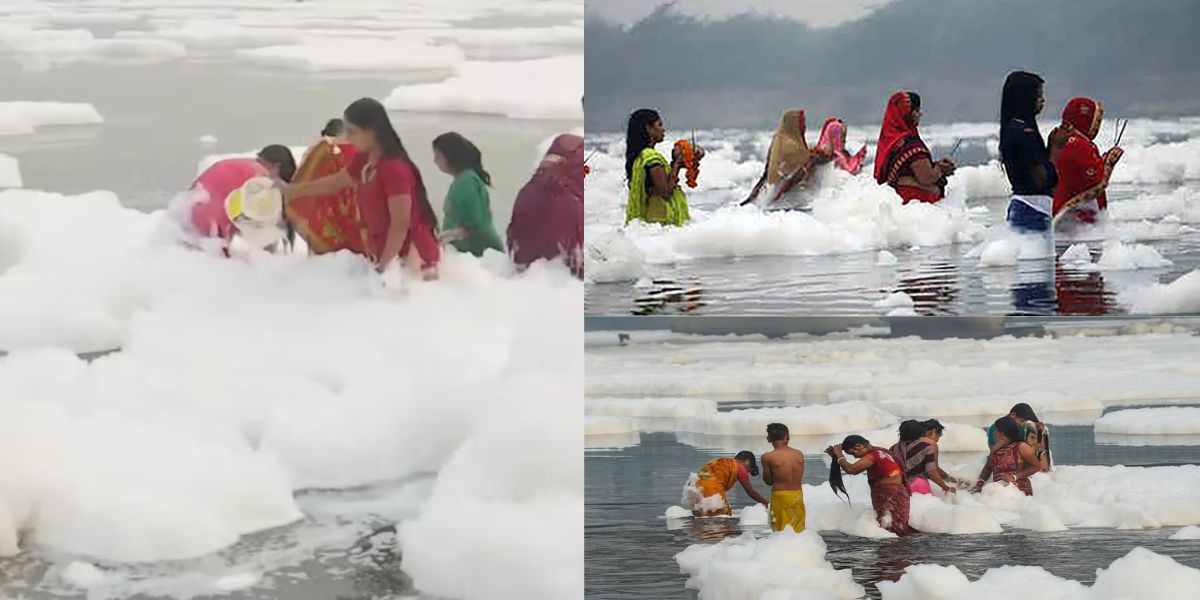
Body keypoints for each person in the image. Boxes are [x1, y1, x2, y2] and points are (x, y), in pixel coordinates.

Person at [283, 98, 440, 276]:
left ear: (372, 131)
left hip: (411, 258)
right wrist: (292, 190)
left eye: (352, 132)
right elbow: (336, 182)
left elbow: (400, 224)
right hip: (383, 252)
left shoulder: (395, 169)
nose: (348, 138)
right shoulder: (366, 159)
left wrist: (384, 266)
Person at [1000, 71, 1071, 233]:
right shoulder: (1024, 132)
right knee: (1037, 257)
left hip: (1027, 208)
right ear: (1025, 98)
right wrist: (1056, 148)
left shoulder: (1014, 128)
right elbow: (1041, 180)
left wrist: (1049, 146)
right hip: (1032, 210)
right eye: (1038, 95)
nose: (1042, 100)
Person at [190, 145, 296, 253]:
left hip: (199, 197)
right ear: (276, 166)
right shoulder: (257, 180)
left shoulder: (253, 171)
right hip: (209, 206)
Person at [287, 120, 369, 256]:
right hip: (356, 203)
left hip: (326, 200)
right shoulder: (363, 150)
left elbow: (304, 179)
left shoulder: (318, 151)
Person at [508, 133, 584, 278]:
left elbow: (513, 239)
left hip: (525, 278)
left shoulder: (527, 191)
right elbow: (576, 257)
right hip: (562, 284)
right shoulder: (569, 199)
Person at [1050, 97, 1124, 228]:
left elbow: (1080, 174)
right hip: (1077, 220)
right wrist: (1109, 160)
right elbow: (1094, 182)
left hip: (1060, 209)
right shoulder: (1080, 144)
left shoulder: (1063, 138)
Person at [874, 91, 956, 204]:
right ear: (907, 114)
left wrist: (936, 165)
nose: (920, 114)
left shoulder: (890, 141)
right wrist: (941, 169)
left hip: (896, 201)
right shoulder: (910, 144)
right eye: (916, 111)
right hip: (914, 204)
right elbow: (926, 177)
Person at [431, 132, 504, 257]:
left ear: (451, 157)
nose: (435, 161)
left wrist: (442, 239)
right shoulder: (465, 178)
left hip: (481, 253)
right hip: (474, 254)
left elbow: (472, 222)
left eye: (438, 156)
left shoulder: (466, 181)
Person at [623, 109, 700, 226]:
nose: (663, 130)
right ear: (648, 128)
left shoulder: (641, 157)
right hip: (661, 219)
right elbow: (665, 192)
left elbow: (655, 187)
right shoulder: (652, 158)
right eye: (659, 125)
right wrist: (677, 164)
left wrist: (677, 162)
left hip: (652, 220)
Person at [826, 435, 915, 535]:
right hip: (896, 493)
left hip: (889, 494)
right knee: (895, 525)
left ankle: (895, 549)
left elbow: (851, 469)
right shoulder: (880, 452)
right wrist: (837, 455)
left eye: (852, 453)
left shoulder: (874, 455)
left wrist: (839, 455)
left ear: (859, 446)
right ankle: (900, 548)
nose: (855, 457)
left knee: (890, 527)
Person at [745, 109, 828, 205]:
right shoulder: (790, 143)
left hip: (774, 188)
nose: (804, 126)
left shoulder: (781, 137)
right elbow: (803, 160)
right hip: (784, 190)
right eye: (802, 122)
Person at [683, 451, 769, 517]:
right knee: (722, 517)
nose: (746, 472)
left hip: (694, 489)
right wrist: (768, 504)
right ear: (747, 461)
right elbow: (751, 492)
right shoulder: (739, 467)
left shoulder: (719, 461)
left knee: (700, 517)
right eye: (748, 470)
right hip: (710, 491)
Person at [975, 416, 1042, 496]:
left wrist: (1014, 477)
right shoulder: (996, 449)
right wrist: (980, 482)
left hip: (1018, 491)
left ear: (1002, 433)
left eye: (995, 431)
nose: (993, 433)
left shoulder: (1021, 446)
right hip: (999, 490)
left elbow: (1036, 466)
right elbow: (987, 468)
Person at [890, 419, 959, 495]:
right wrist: (947, 487)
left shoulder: (892, 448)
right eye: (939, 435)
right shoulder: (928, 445)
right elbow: (932, 472)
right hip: (917, 485)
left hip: (897, 487)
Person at [760, 423, 806, 532]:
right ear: (787, 438)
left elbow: (768, 481)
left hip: (780, 496)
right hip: (797, 495)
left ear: (768, 439)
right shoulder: (799, 453)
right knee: (798, 528)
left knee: (780, 530)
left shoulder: (767, 457)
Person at [987, 403, 1051, 470]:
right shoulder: (998, 429)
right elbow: (1001, 454)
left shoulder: (1018, 426)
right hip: (1005, 465)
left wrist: (1040, 429)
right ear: (1013, 415)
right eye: (1021, 421)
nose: (1022, 423)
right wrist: (1033, 448)